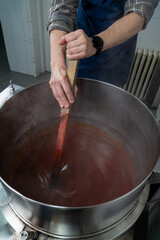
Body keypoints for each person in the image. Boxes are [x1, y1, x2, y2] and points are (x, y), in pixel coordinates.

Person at [47, 0, 158, 108]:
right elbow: (61, 8)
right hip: (86, 28)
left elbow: (140, 11)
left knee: (108, 97)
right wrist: (56, 64)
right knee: (79, 93)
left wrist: (96, 43)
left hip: (118, 39)